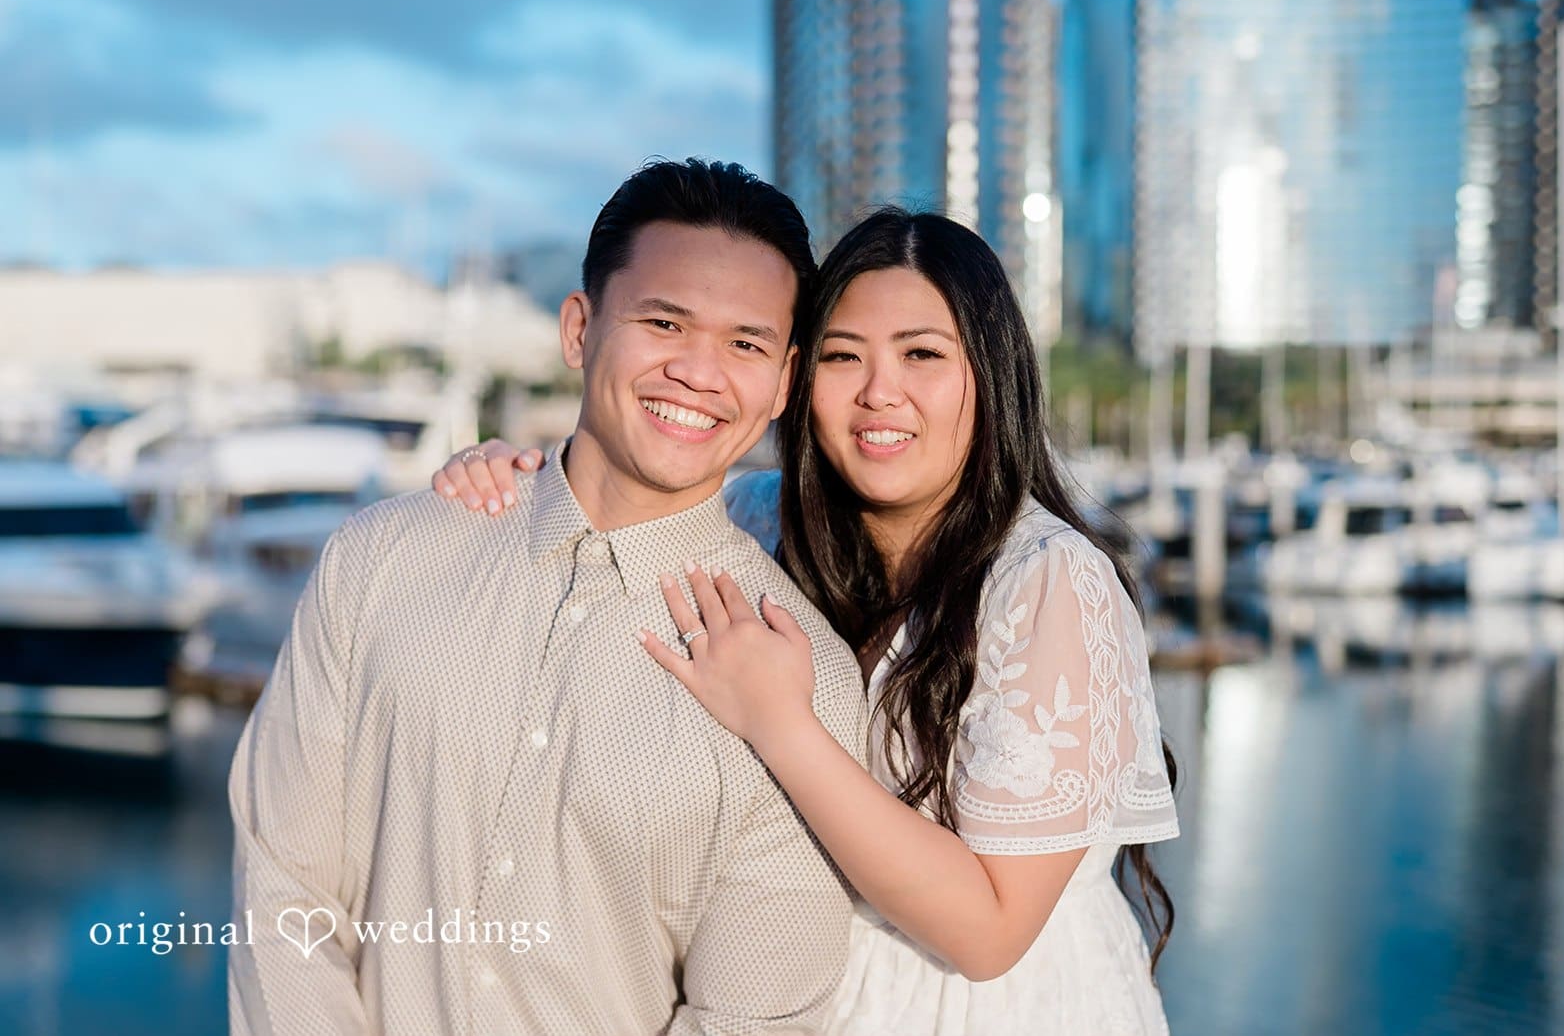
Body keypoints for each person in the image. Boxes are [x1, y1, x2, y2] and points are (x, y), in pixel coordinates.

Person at [434, 207, 1181, 1033]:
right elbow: (614, 520)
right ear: (800, 380)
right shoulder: (761, 521)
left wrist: (781, 723)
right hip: (794, 997)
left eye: (922, 354)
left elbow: (989, 932)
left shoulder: (1047, 581)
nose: (878, 392)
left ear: (992, 374)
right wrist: (513, 478)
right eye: (842, 356)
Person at [228, 158, 869, 1035]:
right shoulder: (380, 561)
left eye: (745, 345)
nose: (698, 371)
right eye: (664, 322)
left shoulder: (807, 683)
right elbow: (282, 889)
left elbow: (752, 1019)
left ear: (785, 383)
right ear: (579, 328)